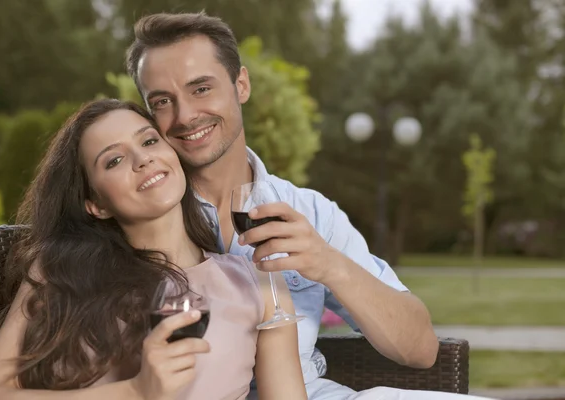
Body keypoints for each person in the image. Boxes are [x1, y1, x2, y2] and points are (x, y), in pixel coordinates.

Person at [125, 12, 494, 400]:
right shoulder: (139, 216)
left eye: (201, 89)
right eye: (163, 101)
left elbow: (419, 349)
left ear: (241, 84)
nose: (185, 116)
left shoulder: (309, 211)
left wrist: (328, 263)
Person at [0, 99, 307, 400]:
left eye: (149, 140)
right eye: (113, 161)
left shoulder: (261, 284)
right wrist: (136, 392)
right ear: (95, 204)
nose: (143, 159)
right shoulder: (60, 272)